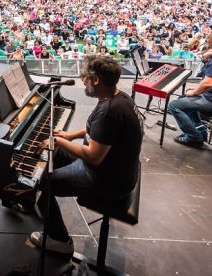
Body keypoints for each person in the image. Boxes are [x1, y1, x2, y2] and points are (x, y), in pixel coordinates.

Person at [29, 55, 143, 253]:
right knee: (57, 153)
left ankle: (60, 240)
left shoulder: (109, 111)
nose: (82, 80)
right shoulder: (118, 97)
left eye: (84, 76)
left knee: (42, 183)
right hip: (115, 167)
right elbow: (97, 131)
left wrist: (58, 140)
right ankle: (40, 206)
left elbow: (93, 156)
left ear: (96, 79)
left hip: (108, 181)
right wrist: (70, 135)